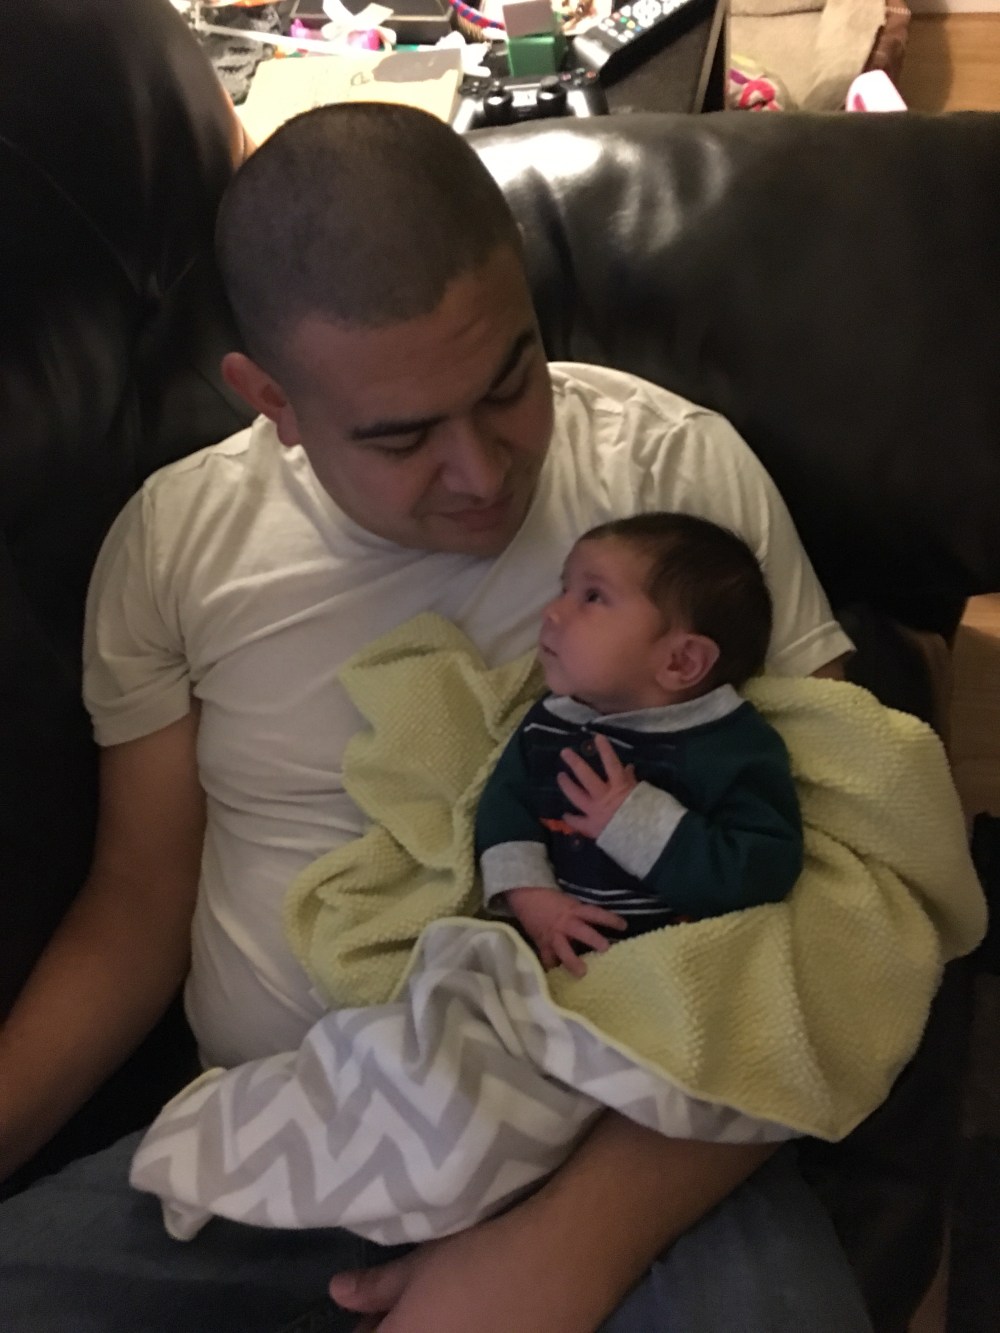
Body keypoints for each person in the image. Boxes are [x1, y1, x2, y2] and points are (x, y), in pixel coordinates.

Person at [0, 102, 871, 1332]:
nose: (483, 471)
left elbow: (847, 885)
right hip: (287, 1135)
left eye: (510, 381)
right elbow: (136, 905)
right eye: (401, 437)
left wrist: (564, 1252)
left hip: (624, 1127)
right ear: (272, 399)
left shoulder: (671, 474)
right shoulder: (176, 544)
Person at [477, 513, 803, 976]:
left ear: (680, 661)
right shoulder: (551, 720)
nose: (552, 611)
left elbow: (764, 871)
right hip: (548, 959)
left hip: (673, 965)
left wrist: (636, 823)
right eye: (564, 589)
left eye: (593, 597)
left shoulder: (728, 746)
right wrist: (534, 901)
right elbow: (503, 809)